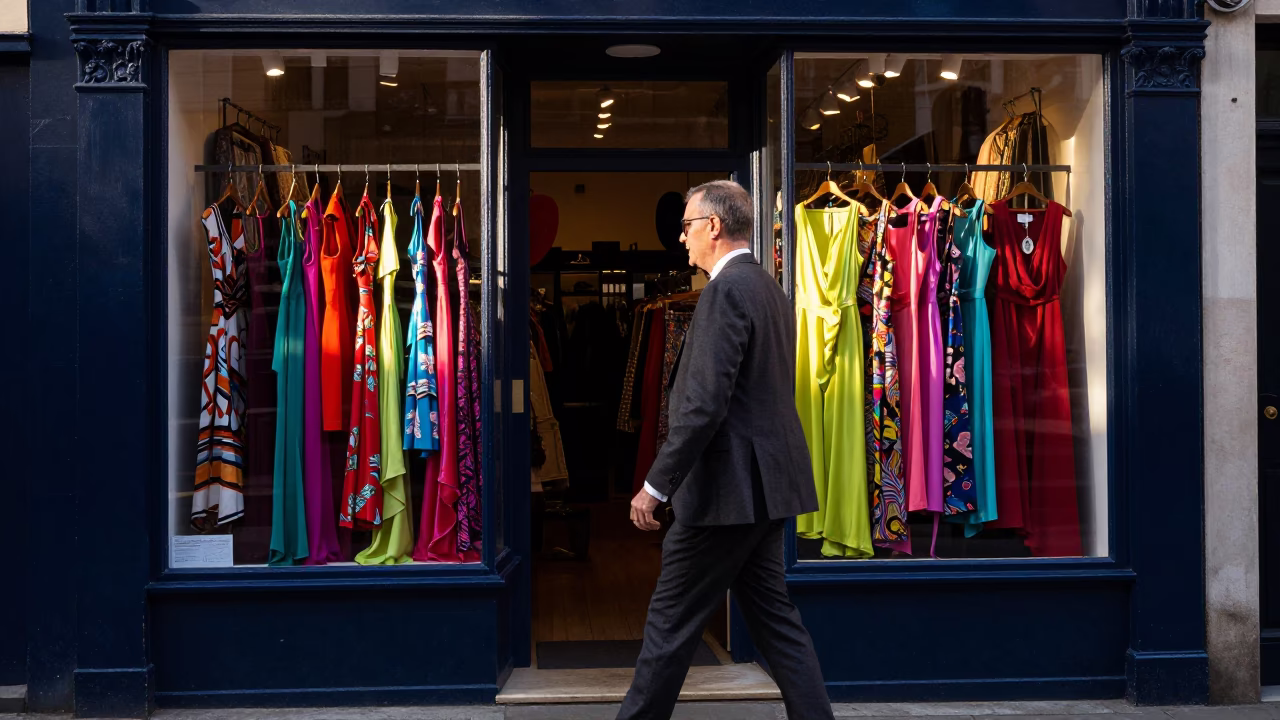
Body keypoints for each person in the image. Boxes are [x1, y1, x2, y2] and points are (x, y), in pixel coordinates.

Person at [619, 180, 834, 720]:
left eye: (687, 226)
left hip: (725, 496)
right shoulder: (766, 287)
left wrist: (654, 484)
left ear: (713, 227)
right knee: (778, 624)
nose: (682, 238)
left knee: (670, 624)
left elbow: (704, 405)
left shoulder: (726, 291)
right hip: (762, 492)